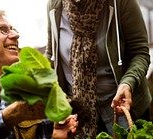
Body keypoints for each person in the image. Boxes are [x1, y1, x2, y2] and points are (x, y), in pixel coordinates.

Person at [0, 9, 78, 139]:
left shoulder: (33, 86)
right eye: (3, 30)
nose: (15, 35)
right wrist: (8, 117)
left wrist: (58, 136)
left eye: (13, 30)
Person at [45, 0, 152, 138]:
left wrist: (128, 83)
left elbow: (140, 52)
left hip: (121, 109)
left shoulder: (121, 3)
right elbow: (51, 55)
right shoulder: (54, 6)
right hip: (78, 116)